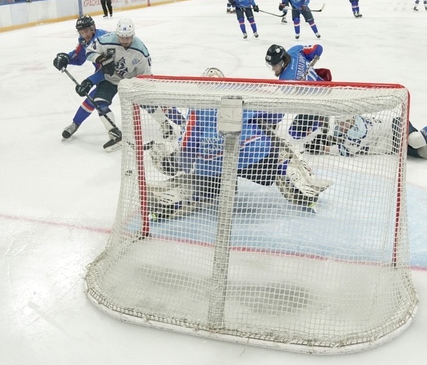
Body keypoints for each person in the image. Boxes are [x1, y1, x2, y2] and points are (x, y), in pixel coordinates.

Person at [146, 69, 332, 220]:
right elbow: (276, 115)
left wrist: (179, 163)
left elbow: (187, 148)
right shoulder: (240, 96)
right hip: (252, 154)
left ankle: (179, 195)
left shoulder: (196, 106)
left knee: (201, 182)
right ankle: (297, 183)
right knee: (280, 149)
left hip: (214, 164)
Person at [76, 17, 152, 151]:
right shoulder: (105, 40)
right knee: (99, 103)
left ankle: (169, 124)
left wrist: (140, 86)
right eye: (122, 38)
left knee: (148, 100)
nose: (125, 41)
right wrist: (99, 60)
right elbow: (88, 53)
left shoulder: (140, 50)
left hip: (130, 81)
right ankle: (115, 134)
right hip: (110, 79)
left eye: (128, 38)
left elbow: (145, 75)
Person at [303, 111, 427, 159]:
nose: (341, 126)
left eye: (343, 123)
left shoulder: (356, 131)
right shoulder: (345, 131)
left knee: (415, 140)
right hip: (396, 147)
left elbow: (348, 151)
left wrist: (323, 147)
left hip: (396, 128)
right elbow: (341, 142)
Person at [52, 15, 109, 140]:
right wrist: (66, 58)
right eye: (82, 32)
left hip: (120, 72)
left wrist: (90, 81)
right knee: (93, 100)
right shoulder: (84, 41)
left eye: (87, 31)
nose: (85, 34)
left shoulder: (104, 39)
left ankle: (163, 118)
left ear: (93, 28)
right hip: (106, 75)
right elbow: (79, 57)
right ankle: (75, 123)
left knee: (139, 97)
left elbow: (109, 67)